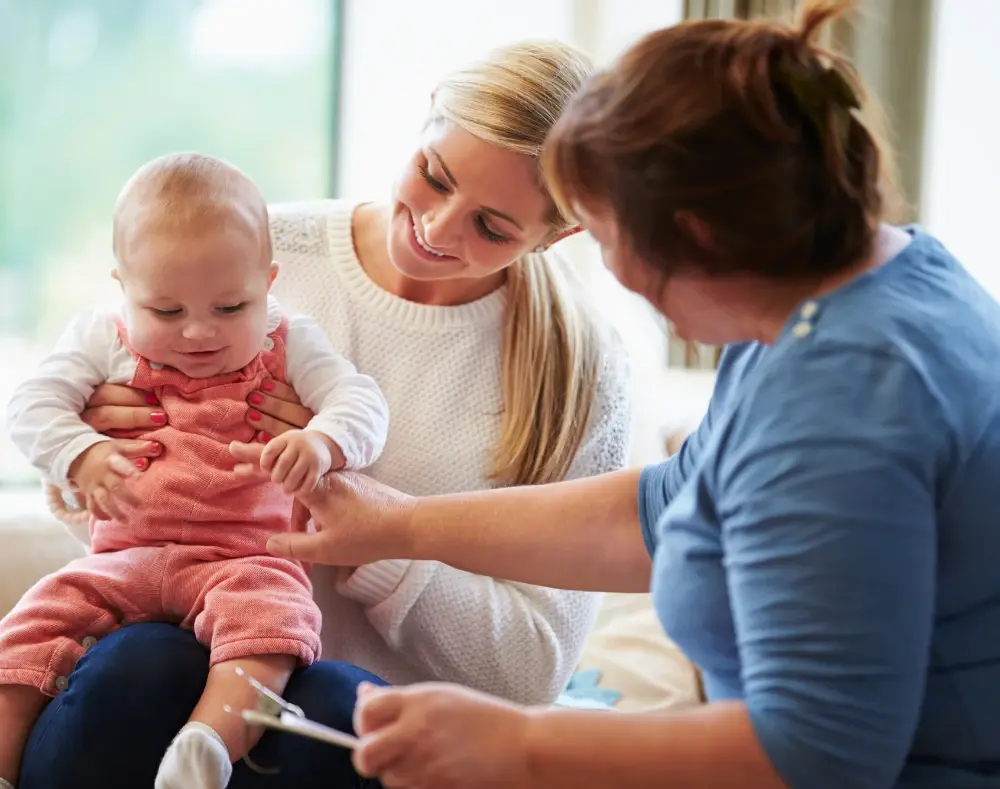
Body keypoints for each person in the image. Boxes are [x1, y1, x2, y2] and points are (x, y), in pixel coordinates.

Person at [256, 3, 1000, 788]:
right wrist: (396, 525)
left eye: (604, 236)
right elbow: (667, 508)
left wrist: (521, 746)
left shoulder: (844, 404)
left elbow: (818, 753)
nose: (607, 269)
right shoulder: (861, 283)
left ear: (696, 237)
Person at [19, 41, 632, 789]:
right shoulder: (242, 252)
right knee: (138, 664)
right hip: (164, 667)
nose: (437, 230)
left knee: (342, 708)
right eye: (434, 176)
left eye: (493, 227)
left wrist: (377, 538)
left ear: (558, 235)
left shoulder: (581, 369)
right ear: (428, 108)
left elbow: (533, 672)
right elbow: (118, 517)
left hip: (354, 734)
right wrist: (91, 456)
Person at [1, 152, 390, 789]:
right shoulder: (103, 338)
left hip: (244, 557)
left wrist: (323, 442)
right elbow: (29, 404)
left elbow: (362, 403)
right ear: (122, 287)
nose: (199, 332)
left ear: (268, 283)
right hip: (125, 556)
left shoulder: (292, 342)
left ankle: (206, 745)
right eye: (167, 312)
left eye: (232, 307)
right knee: (33, 626)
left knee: (272, 625)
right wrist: (82, 452)